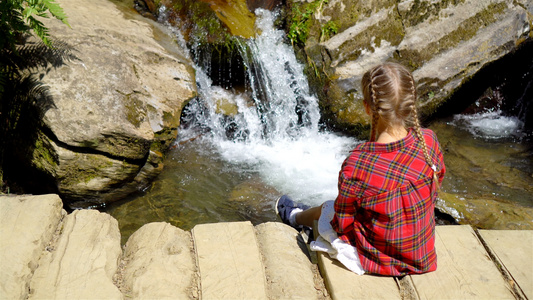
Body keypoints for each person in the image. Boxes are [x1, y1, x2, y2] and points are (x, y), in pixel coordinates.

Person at [276, 62, 446, 276]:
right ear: (410, 104)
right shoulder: (428, 141)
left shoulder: (358, 162)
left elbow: (343, 223)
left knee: (327, 207)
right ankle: (298, 215)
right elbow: (434, 186)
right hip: (421, 253)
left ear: (368, 107)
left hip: (382, 258)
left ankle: (294, 217)